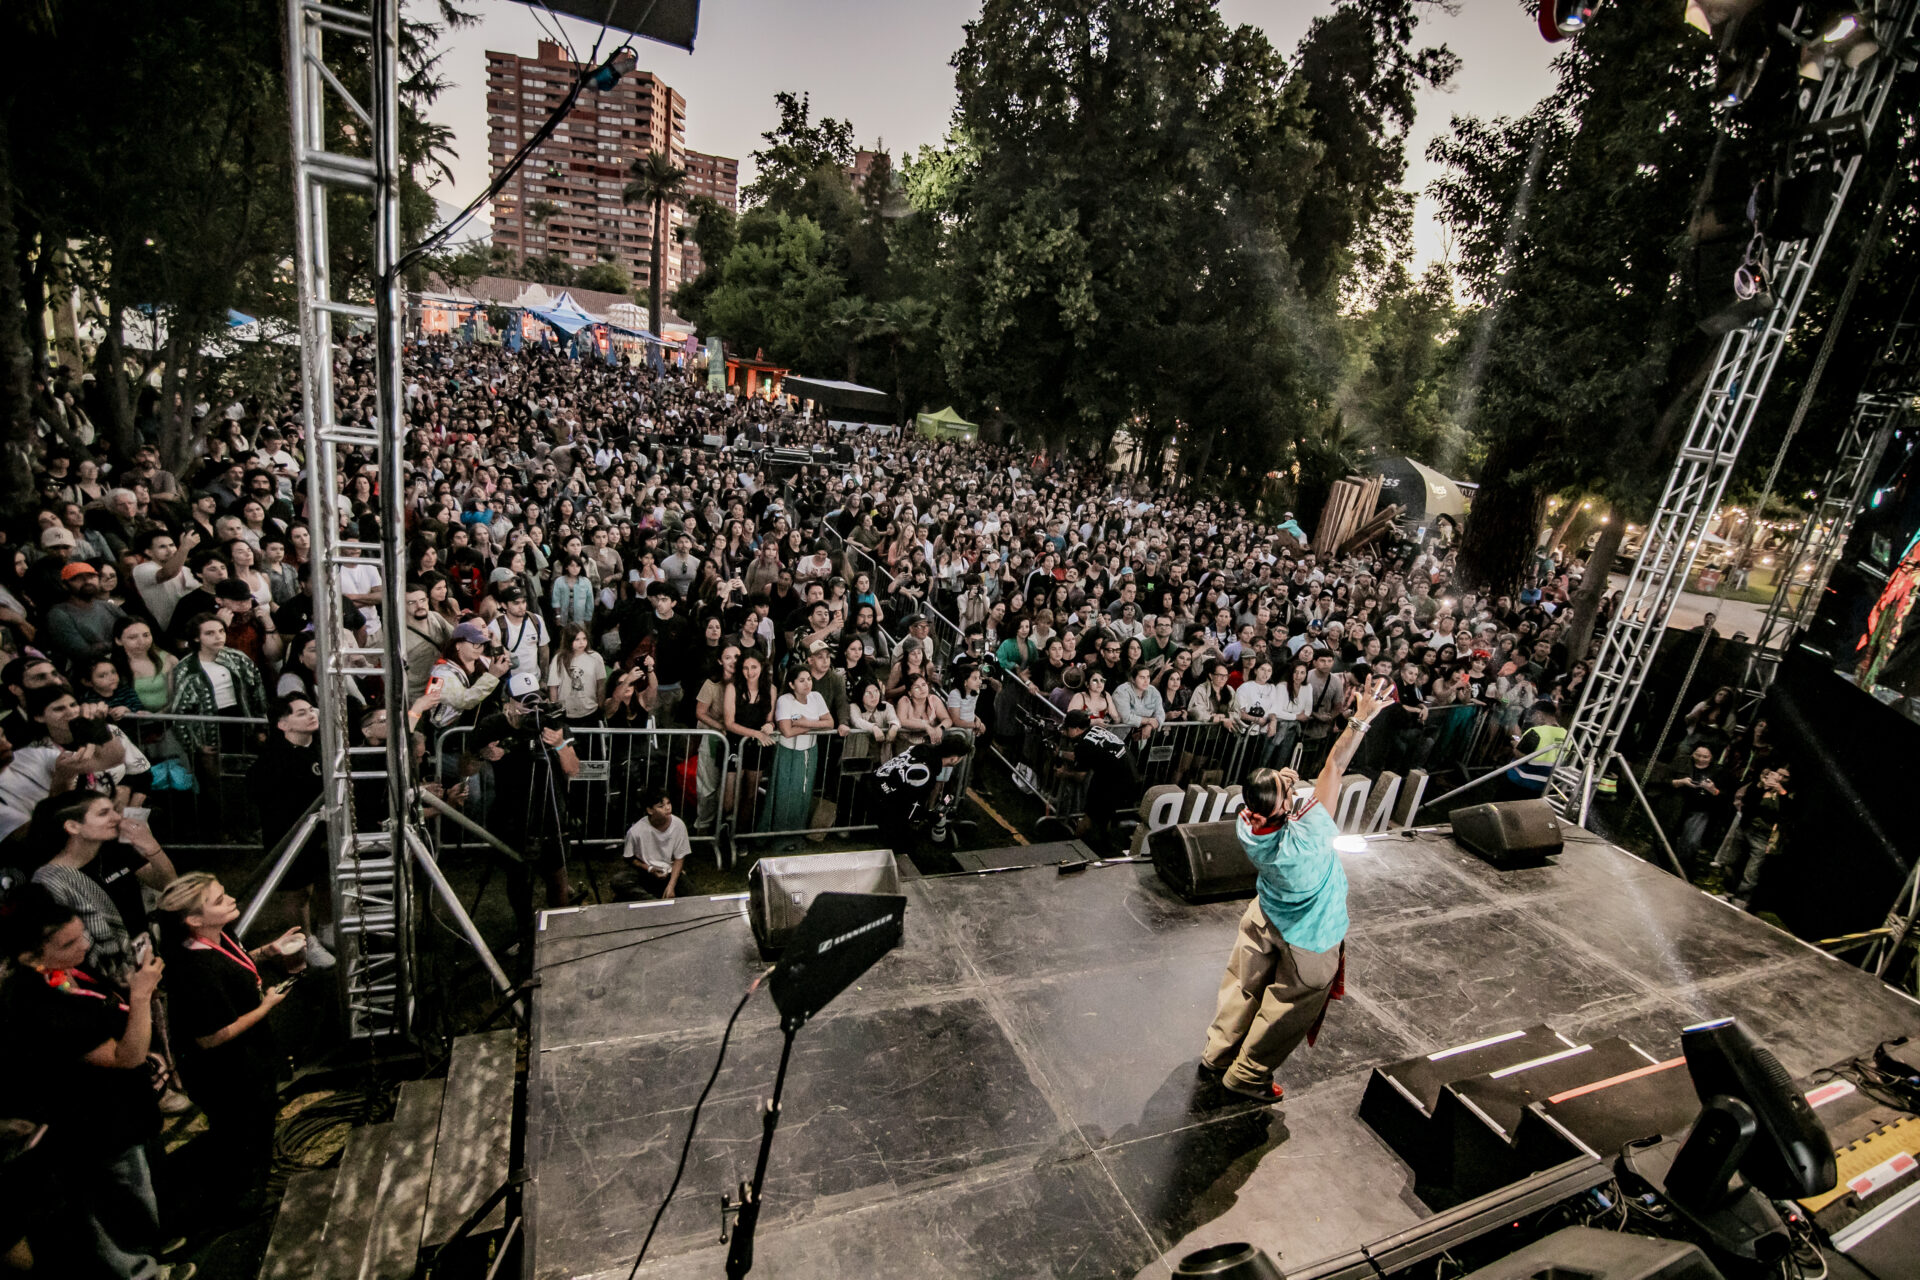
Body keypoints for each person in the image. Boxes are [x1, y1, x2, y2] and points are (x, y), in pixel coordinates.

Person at [1200, 678, 1391, 1102]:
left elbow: (1279, 800)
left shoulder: (1248, 823)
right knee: (1285, 1009)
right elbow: (1334, 768)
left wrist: (1281, 788)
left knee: (1242, 988)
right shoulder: (1311, 834)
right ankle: (1247, 1076)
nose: (1293, 781)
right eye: (1288, 788)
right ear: (1287, 807)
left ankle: (1217, 1054)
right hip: (1310, 939)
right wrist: (1360, 719)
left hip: (1264, 918)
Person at [0, 885, 190, 1280]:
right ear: (29, 956)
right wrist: (140, 997)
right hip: (95, 1125)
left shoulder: (61, 973)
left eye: (81, 933)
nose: (84, 944)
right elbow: (126, 1056)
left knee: (140, 1187)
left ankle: (150, 1243)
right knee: (114, 1200)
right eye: (69, 942)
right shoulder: (36, 1005)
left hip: (122, 1110)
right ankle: (141, 1271)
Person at [154, 872, 304, 1205]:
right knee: (241, 1135)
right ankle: (245, 1198)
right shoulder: (194, 970)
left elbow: (234, 960)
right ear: (194, 919)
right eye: (220, 900)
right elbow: (210, 1038)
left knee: (257, 1123)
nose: (231, 899)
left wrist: (268, 950)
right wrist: (266, 1007)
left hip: (249, 1057)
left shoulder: (220, 935)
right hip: (225, 1073)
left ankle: (256, 1179)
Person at [473, 672, 582, 926]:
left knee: (557, 876)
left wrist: (559, 745)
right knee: (518, 879)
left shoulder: (554, 724)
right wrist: (482, 754)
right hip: (511, 816)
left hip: (550, 813)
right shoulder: (492, 725)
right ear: (507, 702)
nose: (531, 709)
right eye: (524, 702)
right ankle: (525, 928)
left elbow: (573, 769)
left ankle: (558, 930)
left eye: (536, 702)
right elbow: (466, 767)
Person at [870, 735, 973, 855]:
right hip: (881, 799)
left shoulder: (921, 749)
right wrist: (931, 817)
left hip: (874, 784)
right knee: (903, 847)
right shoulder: (926, 774)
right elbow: (911, 809)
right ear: (954, 759)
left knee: (901, 838)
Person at [1056, 708, 1140, 853]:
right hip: (1128, 774)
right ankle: (1103, 841)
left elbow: (1081, 775)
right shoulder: (1094, 730)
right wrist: (1061, 753)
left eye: (1068, 728)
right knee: (1105, 814)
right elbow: (1084, 756)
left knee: (1090, 815)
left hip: (1114, 780)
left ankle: (1072, 846)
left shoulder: (1083, 744)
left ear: (1075, 729)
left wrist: (1063, 773)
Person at [1710, 763, 1790, 910]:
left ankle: (1741, 899)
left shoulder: (1788, 793)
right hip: (1746, 828)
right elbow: (1746, 802)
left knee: (1751, 872)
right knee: (1732, 862)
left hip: (1764, 835)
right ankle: (1728, 893)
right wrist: (1761, 786)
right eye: (1778, 774)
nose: (1780, 778)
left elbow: (1787, 813)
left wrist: (1781, 792)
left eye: (1785, 776)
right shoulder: (1759, 786)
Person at [766, 669, 832, 841]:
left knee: (804, 793)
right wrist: (817, 725)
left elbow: (830, 723)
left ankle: (797, 833)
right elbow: (787, 731)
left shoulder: (816, 697)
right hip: (789, 752)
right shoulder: (785, 700)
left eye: (809, 679)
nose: (807, 683)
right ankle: (779, 835)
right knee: (785, 794)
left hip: (810, 750)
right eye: (801, 680)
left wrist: (804, 723)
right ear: (791, 684)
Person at [621, 788, 690, 899]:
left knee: (692, 894)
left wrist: (671, 886)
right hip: (646, 873)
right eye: (661, 806)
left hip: (669, 872)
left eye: (668, 803)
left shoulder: (679, 825)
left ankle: (656, 896)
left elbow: (680, 857)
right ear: (650, 810)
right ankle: (651, 901)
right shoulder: (636, 831)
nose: (667, 808)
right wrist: (649, 868)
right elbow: (628, 858)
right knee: (619, 881)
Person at [1670, 745, 1725, 873]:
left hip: (1700, 809)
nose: (1701, 759)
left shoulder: (1718, 771)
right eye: (1698, 755)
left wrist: (1712, 790)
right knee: (1671, 835)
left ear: (1711, 758)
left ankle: (1681, 868)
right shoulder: (1683, 763)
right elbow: (1669, 778)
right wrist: (1681, 782)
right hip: (1679, 804)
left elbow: (1723, 796)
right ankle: (1667, 862)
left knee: (1691, 841)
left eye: (1705, 757)